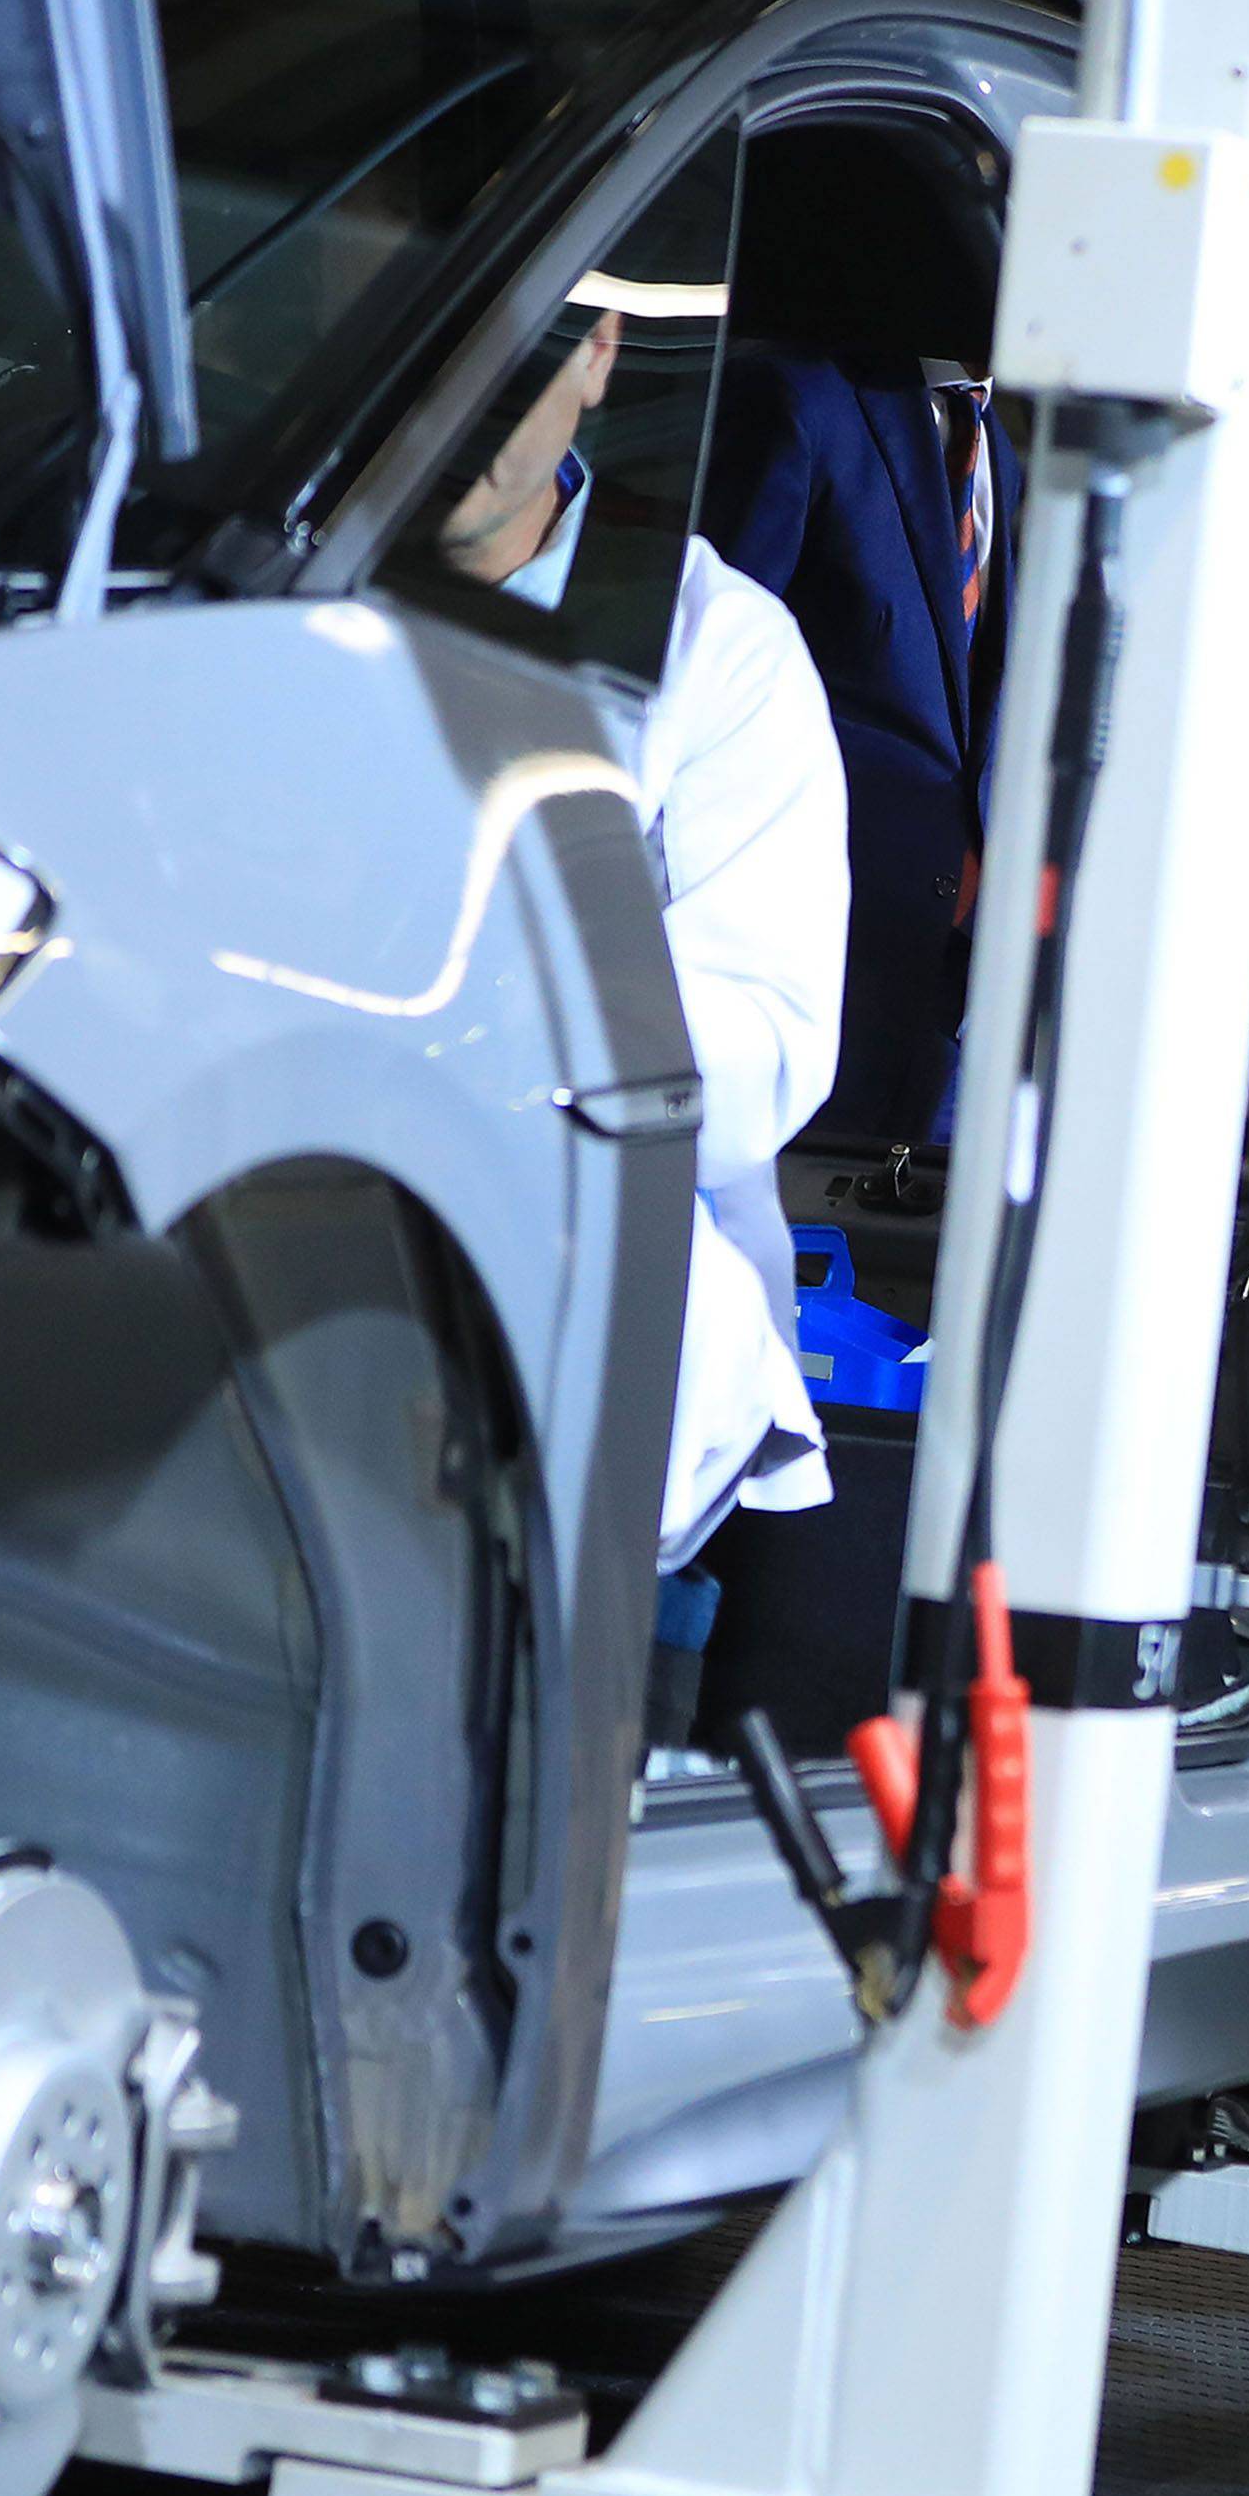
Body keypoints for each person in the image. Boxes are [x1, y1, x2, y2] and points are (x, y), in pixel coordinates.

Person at [440, 309, 852, 1579]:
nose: (454, 395)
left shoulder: (713, 649)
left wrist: (481, 1002)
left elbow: (761, 1055)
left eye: (500, 345)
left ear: (598, 355)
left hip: (602, 1406)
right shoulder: (266, 600)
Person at [698, 346, 1020, 1147]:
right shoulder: (802, 400)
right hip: (807, 978)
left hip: (951, 998)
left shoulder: (1009, 445)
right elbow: (709, 674)